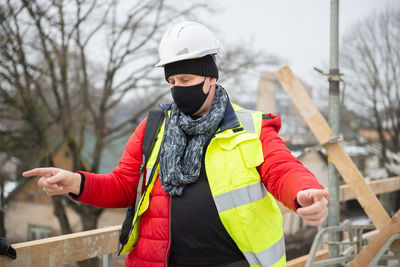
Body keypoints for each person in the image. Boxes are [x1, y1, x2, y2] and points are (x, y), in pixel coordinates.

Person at [23, 21, 328, 267]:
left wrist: (303, 193)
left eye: (185, 80)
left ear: (210, 78)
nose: (177, 90)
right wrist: (76, 182)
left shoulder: (250, 128)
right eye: (171, 82)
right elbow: (125, 186)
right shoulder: (154, 127)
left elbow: (283, 169)